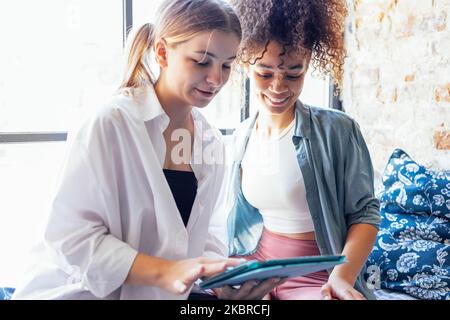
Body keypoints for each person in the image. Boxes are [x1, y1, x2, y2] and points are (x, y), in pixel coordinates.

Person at [13, 0, 250, 300]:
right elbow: (69, 237)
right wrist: (166, 272)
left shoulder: (210, 141)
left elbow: (209, 234)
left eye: (227, 65)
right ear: (163, 53)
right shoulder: (110, 122)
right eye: (202, 61)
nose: (216, 78)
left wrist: (221, 281)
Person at [225, 0, 381, 300]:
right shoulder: (243, 136)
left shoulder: (338, 130)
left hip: (320, 276)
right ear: (245, 63)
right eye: (264, 73)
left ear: (309, 62)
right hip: (258, 271)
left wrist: (341, 279)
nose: (278, 87)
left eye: (294, 73)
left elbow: (365, 213)